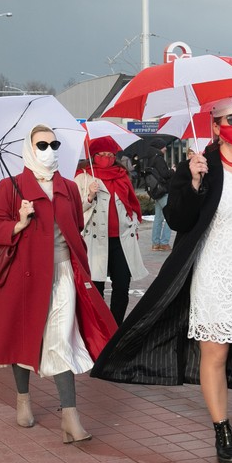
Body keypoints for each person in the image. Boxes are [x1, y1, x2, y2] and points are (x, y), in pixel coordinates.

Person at [92, 98, 232, 463]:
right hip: (214, 273)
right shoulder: (199, 165)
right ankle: (222, 430)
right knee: (215, 356)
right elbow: (178, 219)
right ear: (216, 125)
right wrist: (191, 181)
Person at [0, 125, 118, 443]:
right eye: (42, 144)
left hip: (64, 273)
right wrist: (19, 222)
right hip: (23, 278)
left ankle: (70, 416)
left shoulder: (67, 186)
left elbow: (76, 226)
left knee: (60, 339)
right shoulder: (11, 187)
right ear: (29, 148)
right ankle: (23, 398)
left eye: (53, 143)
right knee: (24, 338)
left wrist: (90, 199)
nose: (49, 149)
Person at [75, 137, 149, 325]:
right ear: (93, 156)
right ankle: (100, 329)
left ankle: (115, 327)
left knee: (122, 286)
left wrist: (134, 222)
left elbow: (131, 202)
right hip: (95, 240)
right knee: (96, 288)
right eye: (102, 155)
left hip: (121, 239)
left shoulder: (121, 174)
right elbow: (74, 209)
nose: (107, 158)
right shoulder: (83, 176)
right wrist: (90, 196)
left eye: (110, 155)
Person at [145, 138, 173, 251]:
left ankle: (155, 243)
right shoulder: (159, 158)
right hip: (163, 191)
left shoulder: (150, 158)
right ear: (159, 147)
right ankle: (164, 243)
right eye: (163, 146)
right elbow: (165, 174)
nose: (165, 148)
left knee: (158, 218)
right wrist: (173, 170)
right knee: (171, 217)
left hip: (156, 191)